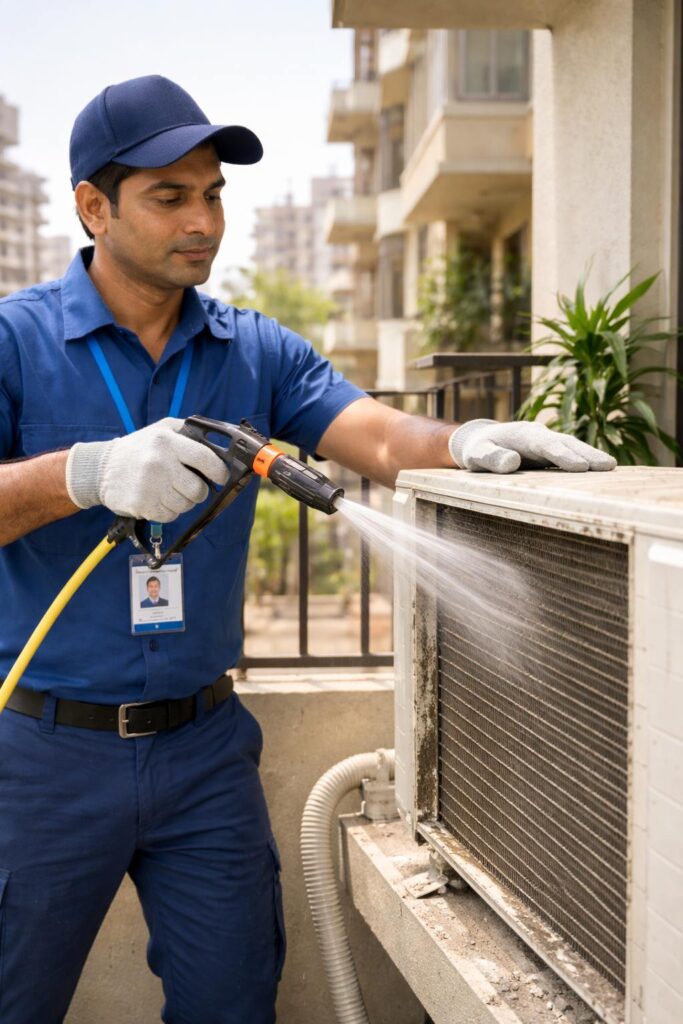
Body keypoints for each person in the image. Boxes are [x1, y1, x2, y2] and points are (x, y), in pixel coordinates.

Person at [0, 75, 615, 1024]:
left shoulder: (254, 350)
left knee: (233, 1000)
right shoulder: (16, 342)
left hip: (202, 753)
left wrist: (461, 441)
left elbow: (374, 436)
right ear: (93, 206)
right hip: (40, 752)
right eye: (170, 196)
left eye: (213, 194)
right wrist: (81, 475)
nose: (202, 220)